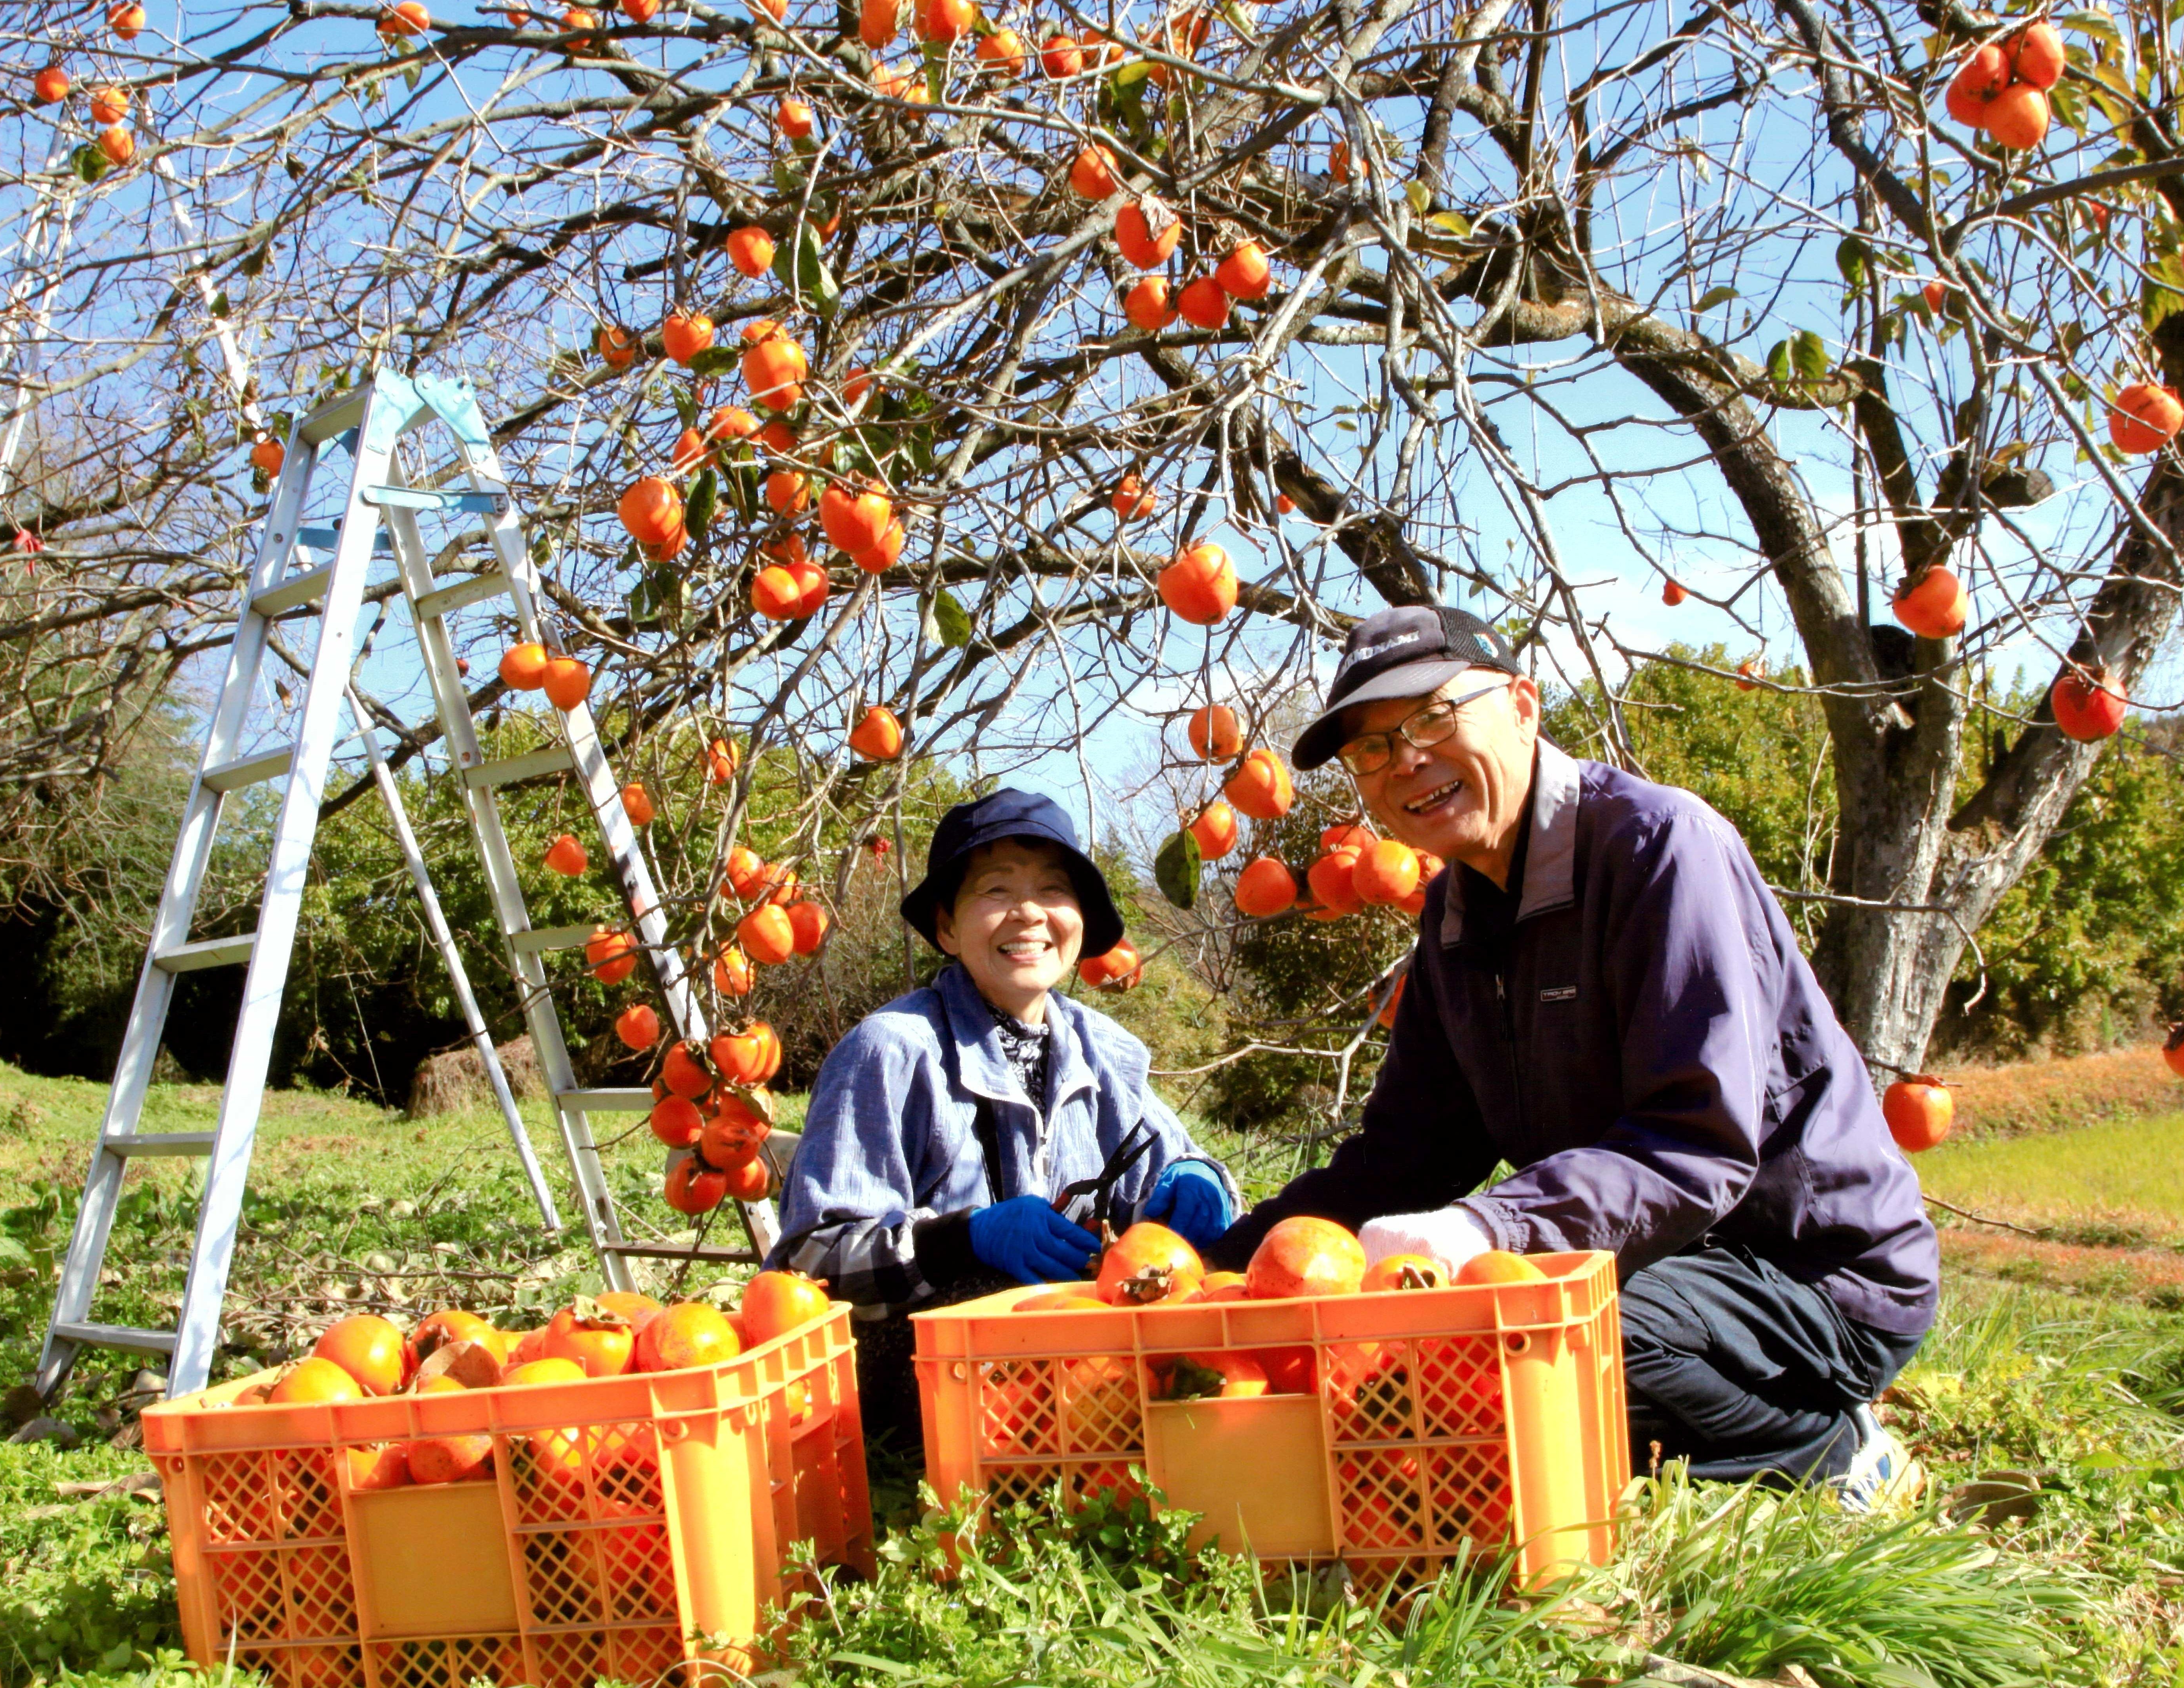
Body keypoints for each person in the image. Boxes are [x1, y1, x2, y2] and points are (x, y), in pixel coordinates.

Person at [1209, 606, 1939, 1504]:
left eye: (1434, 716)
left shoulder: (1658, 850)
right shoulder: (1452, 916)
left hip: (1811, 1270)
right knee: (1447, 1391)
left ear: (1523, 704)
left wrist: (1487, 1228)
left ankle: (1826, 1447)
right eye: (1370, 750)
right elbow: (1408, 1156)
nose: (1404, 762)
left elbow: (1695, 1147)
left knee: (1536, 1353)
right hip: (1656, 1259)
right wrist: (1227, 1267)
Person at [771, 789, 1238, 1450]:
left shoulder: (1105, 1052)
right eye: (995, 890)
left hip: (1084, 1374)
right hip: (936, 1388)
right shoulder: (891, 1052)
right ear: (947, 927)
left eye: (1053, 889)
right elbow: (805, 1268)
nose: (1028, 913)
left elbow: (1174, 1185)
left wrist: (1201, 1181)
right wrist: (958, 1240)